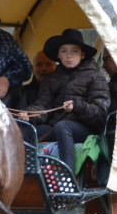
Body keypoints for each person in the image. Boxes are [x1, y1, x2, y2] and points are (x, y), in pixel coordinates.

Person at [23, 28, 110, 174]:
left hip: (85, 129)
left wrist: (77, 106)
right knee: (25, 130)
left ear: (82, 54)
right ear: (58, 55)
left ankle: (67, 175)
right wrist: (30, 114)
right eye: (64, 51)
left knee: (63, 127)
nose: (69, 56)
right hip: (55, 127)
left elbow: (100, 113)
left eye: (74, 51)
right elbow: (42, 105)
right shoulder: (52, 78)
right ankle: (25, 174)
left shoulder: (96, 77)